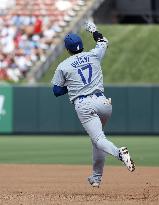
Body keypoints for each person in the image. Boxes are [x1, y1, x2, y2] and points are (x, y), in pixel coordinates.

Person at [51, 22, 135, 188]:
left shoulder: (63, 66)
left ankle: (120, 153)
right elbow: (103, 42)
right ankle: (96, 178)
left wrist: (73, 86)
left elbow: (56, 91)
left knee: (99, 139)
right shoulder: (94, 55)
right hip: (104, 103)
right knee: (96, 140)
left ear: (67, 49)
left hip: (84, 104)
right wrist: (94, 30)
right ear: (81, 45)